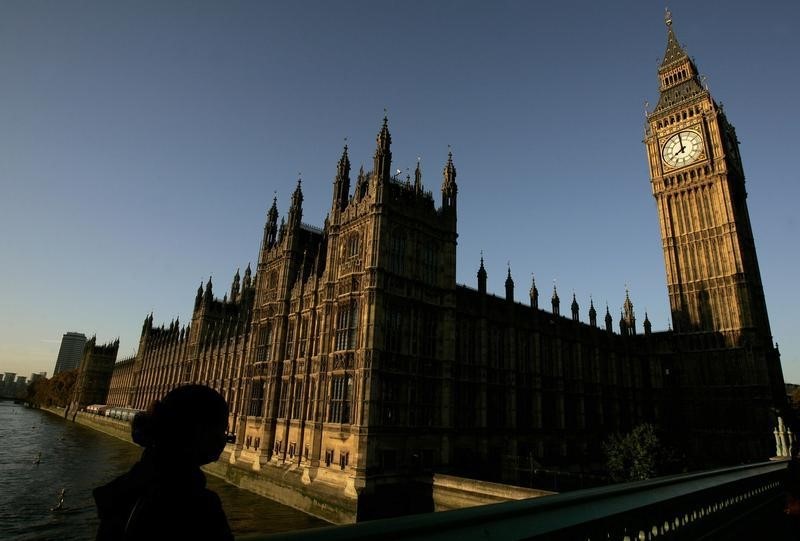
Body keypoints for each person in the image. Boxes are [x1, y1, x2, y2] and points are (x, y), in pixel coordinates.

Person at [93, 385, 233, 540]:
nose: (224, 438)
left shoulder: (127, 487)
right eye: (222, 429)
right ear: (199, 432)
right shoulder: (199, 505)